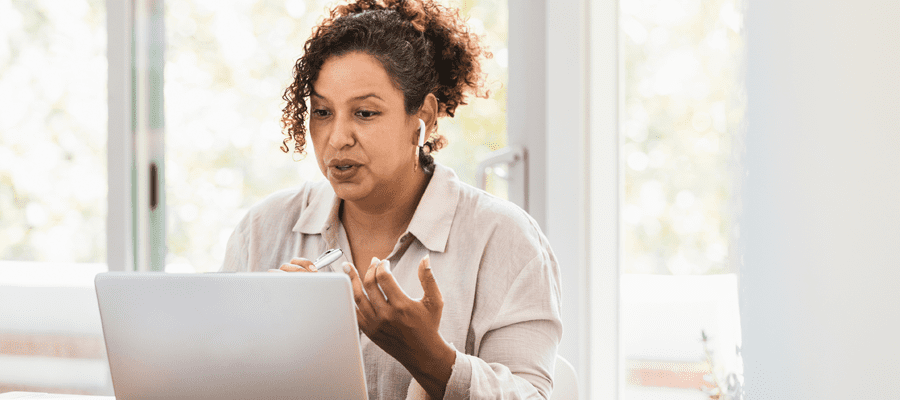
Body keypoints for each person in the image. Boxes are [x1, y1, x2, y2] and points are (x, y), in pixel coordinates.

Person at [222, 1, 562, 398]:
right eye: (322, 112)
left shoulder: (503, 238)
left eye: (365, 113)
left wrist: (431, 358)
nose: (337, 138)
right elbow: (208, 380)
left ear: (425, 118)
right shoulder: (263, 229)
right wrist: (254, 339)